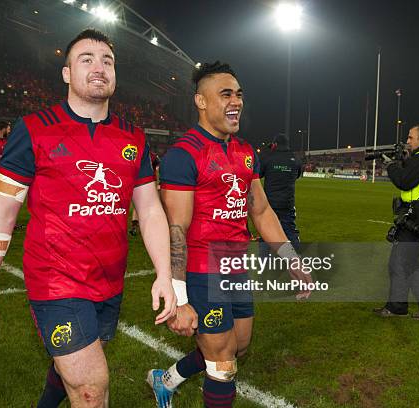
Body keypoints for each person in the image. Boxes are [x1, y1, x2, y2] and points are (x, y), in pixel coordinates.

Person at [0, 29, 176, 408]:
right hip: (55, 281)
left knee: (72, 369)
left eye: (107, 61)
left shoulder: (135, 138)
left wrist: (164, 273)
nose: (99, 67)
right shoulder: (33, 130)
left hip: (109, 282)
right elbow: (1, 214)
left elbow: (149, 209)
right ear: (66, 74)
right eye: (87, 59)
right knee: (91, 390)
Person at [147, 61, 311, 408]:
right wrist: (179, 296)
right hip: (202, 271)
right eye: (225, 94)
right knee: (223, 363)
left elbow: (262, 212)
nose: (235, 100)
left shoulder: (246, 152)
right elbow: (176, 229)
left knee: (237, 346)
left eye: (238, 94)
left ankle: (167, 380)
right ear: (201, 101)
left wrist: (292, 261)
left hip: (235, 267)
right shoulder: (184, 155)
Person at [374, 124, 419, 320]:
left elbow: (404, 181)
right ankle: (398, 306)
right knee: (401, 261)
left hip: (417, 215)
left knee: (405, 262)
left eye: (410, 137)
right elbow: (416, 178)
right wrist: (403, 161)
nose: (407, 141)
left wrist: (391, 166)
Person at [258, 133, 302, 250]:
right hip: (287, 203)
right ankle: (297, 259)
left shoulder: (268, 157)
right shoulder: (295, 158)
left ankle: (264, 262)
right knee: (290, 232)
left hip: (270, 204)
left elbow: (258, 174)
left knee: (266, 232)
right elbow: (297, 175)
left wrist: (265, 152)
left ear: (275, 144)